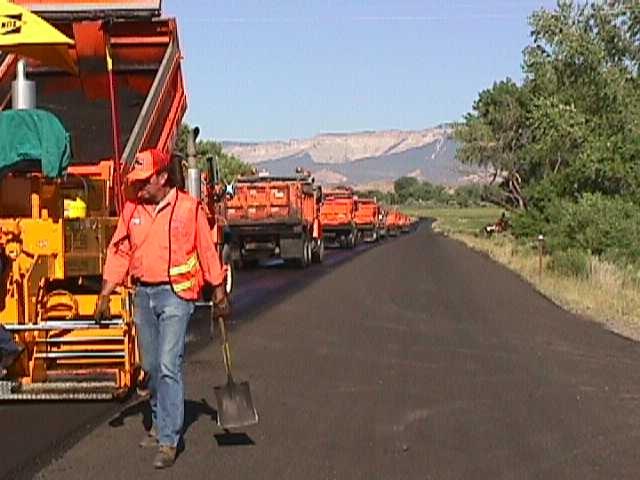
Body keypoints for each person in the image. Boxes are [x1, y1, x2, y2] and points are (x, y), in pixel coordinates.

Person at [95, 148, 230, 469]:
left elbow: (207, 250)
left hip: (177, 296)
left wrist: (219, 291)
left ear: (162, 177)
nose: (139, 187)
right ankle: (158, 421)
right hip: (143, 295)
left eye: (144, 181)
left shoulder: (187, 208)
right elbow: (119, 252)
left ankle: (169, 440)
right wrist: (105, 293)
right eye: (136, 181)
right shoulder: (132, 210)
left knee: (169, 364)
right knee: (151, 365)